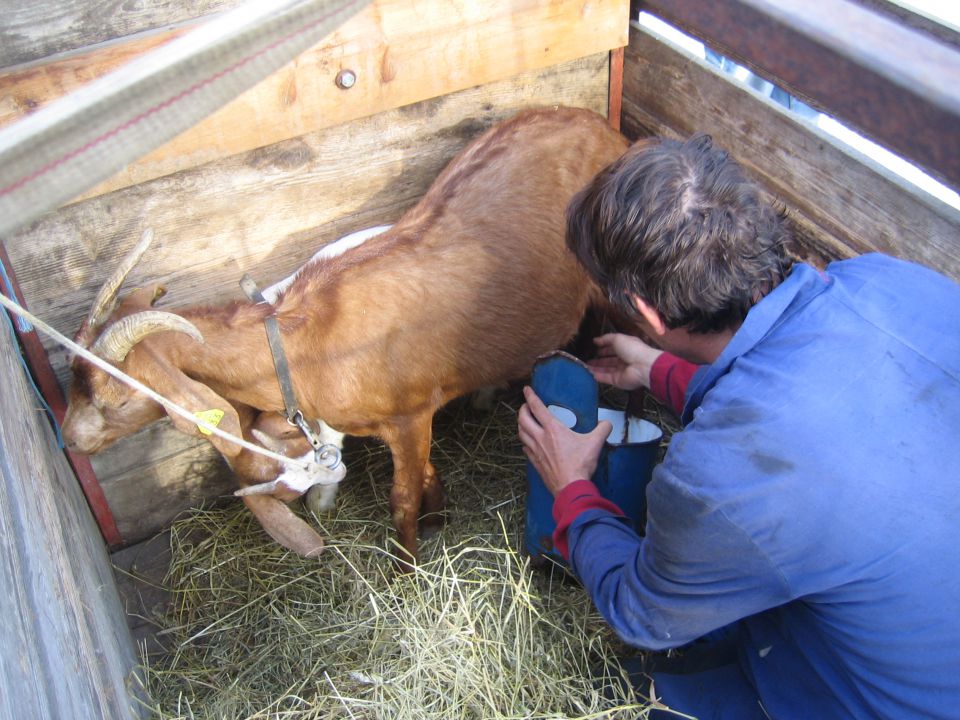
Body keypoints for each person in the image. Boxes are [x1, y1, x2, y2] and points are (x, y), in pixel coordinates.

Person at [517, 133, 960, 719]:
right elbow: (797, 388)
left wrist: (573, 487)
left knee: (633, 691)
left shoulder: (715, 479)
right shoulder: (893, 282)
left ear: (644, 312)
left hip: (888, 703)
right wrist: (660, 372)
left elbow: (642, 612)